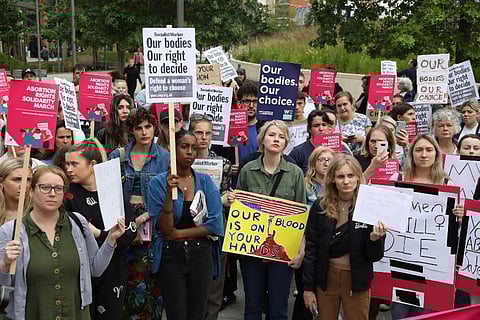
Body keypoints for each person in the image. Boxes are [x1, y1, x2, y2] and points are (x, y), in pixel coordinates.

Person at [0, 166, 125, 320]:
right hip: (33, 313)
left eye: (58, 188)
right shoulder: (11, 231)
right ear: (31, 191)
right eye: (45, 188)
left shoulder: (77, 223)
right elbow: (4, 286)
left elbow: (95, 269)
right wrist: (5, 264)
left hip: (75, 314)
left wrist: (111, 239)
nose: (52, 194)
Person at [225, 120, 306, 320]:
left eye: (281, 136)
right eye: (272, 135)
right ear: (262, 139)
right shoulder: (248, 170)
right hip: (251, 250)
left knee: (278, 308)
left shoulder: (295, 173)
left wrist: (301, 251)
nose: (276, 139)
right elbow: (239, 206)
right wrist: (232, 199)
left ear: (286, 142)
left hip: (282, 251)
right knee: (252, 306)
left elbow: (301, 216)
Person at [148, 129, 224, 320]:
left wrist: (179, 234)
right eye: (184, 147)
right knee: (176, 314)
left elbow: (215, 224)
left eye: (193, 148)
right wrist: (168, 193)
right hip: (171, 256)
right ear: (173, 150)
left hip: (201, 256)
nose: (189, 152)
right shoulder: (157, 183)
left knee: (197, 313)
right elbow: (164, 228)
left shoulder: (206, 182)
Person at [389, 134, 465, 318]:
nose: (424, 154)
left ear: (436, 155)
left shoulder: (449, 185)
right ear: (411, 154)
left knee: (424, 313)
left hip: (433, 265)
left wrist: (461, 215)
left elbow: (459, 228)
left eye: (429, 150)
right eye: (419, 150)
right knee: (399, 312)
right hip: (402, 262)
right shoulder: (397, 178)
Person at [303, 155, 386, 320]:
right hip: (326, 277)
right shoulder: (320, 206)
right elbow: (312, 249)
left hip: (357, 278)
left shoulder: (369, 206)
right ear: (333, 179)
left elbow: (375, 256)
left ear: (358, 177)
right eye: (340, 176)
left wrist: (375, 240)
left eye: (351, 176)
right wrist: (308, 289)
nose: (346, 181)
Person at [63, 139, 136, 320]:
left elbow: (129, 232)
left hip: (113, 271)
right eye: (67, 164)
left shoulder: (113, 190)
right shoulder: (66, 193)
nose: (69, 169)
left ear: (92, 165)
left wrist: (100, 234)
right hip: (79, 271)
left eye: (74, 164)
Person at [109, 107, 168, 320]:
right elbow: (109, 192)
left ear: (154, 128)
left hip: (152, 223)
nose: (144, 132)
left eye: (148, 127)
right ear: (131, 131)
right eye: (138, 128)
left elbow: (168, 195)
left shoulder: (164, 158)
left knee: (150, 281)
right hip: (123, 223)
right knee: (124, 279)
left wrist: (147, 216)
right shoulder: (118, 155)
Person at [189, 114, 232, 320]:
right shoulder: (182, 160)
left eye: (208, 133)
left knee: (215, 285)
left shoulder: (223, 163)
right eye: (199, 132)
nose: (203, 137)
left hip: (215, 226)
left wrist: (225, 199)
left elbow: (225, 191)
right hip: (188, 226)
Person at [290, 110, 337, 174]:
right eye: (316, 125)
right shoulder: (298, 152)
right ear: (309, 129)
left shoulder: (338, 148)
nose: (321, 129)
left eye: (324, 125)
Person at [336, 91, 372, 155]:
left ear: (351, 104)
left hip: (361, 157)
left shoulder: (363, 119)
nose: (342, 108)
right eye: (339, 106)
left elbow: (372, 140)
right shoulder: (333, 121)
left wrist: (361, 139)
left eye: (345, 104)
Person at [0, 158, 32, 225]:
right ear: (1, 182)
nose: (24, 185)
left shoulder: (38, 211)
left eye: (28, 180)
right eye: (17, 179)